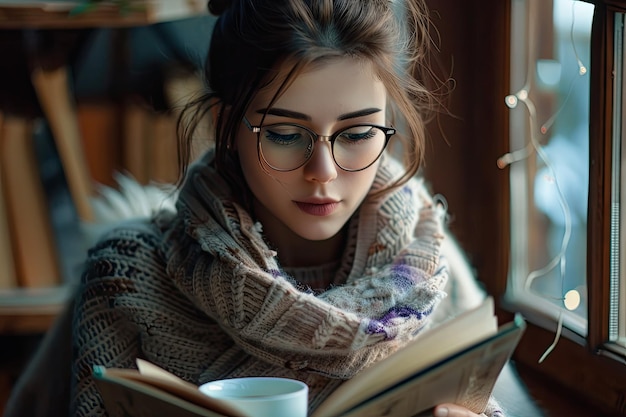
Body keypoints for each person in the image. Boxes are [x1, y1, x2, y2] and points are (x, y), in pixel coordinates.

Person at [70, 0, 505, 416]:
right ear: (225, 125)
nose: (323, 171)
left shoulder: (434, 274)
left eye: (356, 134)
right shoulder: (126, 277)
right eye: (283, 134)